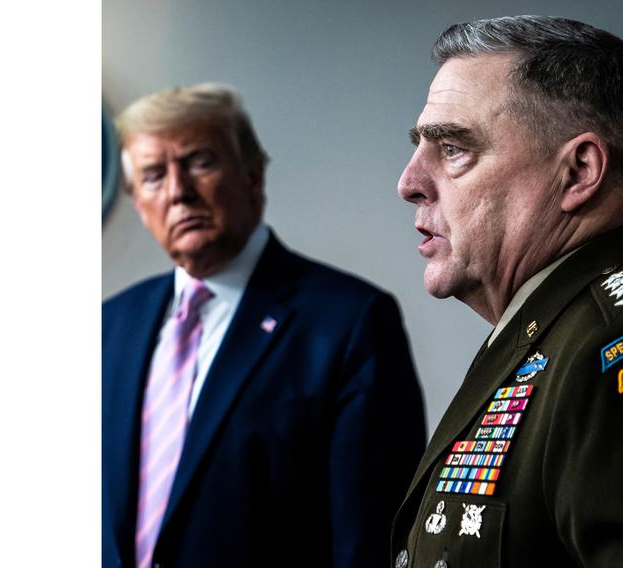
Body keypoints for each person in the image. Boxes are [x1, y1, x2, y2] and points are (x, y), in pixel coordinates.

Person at [102, 83, 426, 568]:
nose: (178, 191)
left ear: (252, 174)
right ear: (138, 203)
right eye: (153, 176)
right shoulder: (108, 326)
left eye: (199, 162)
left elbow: (368, 540)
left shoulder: (349, 322)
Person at [391, 16, 623, 568]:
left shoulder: (614, 346)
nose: (409, 183)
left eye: (452, 148)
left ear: (579, 171)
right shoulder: (553, 331)